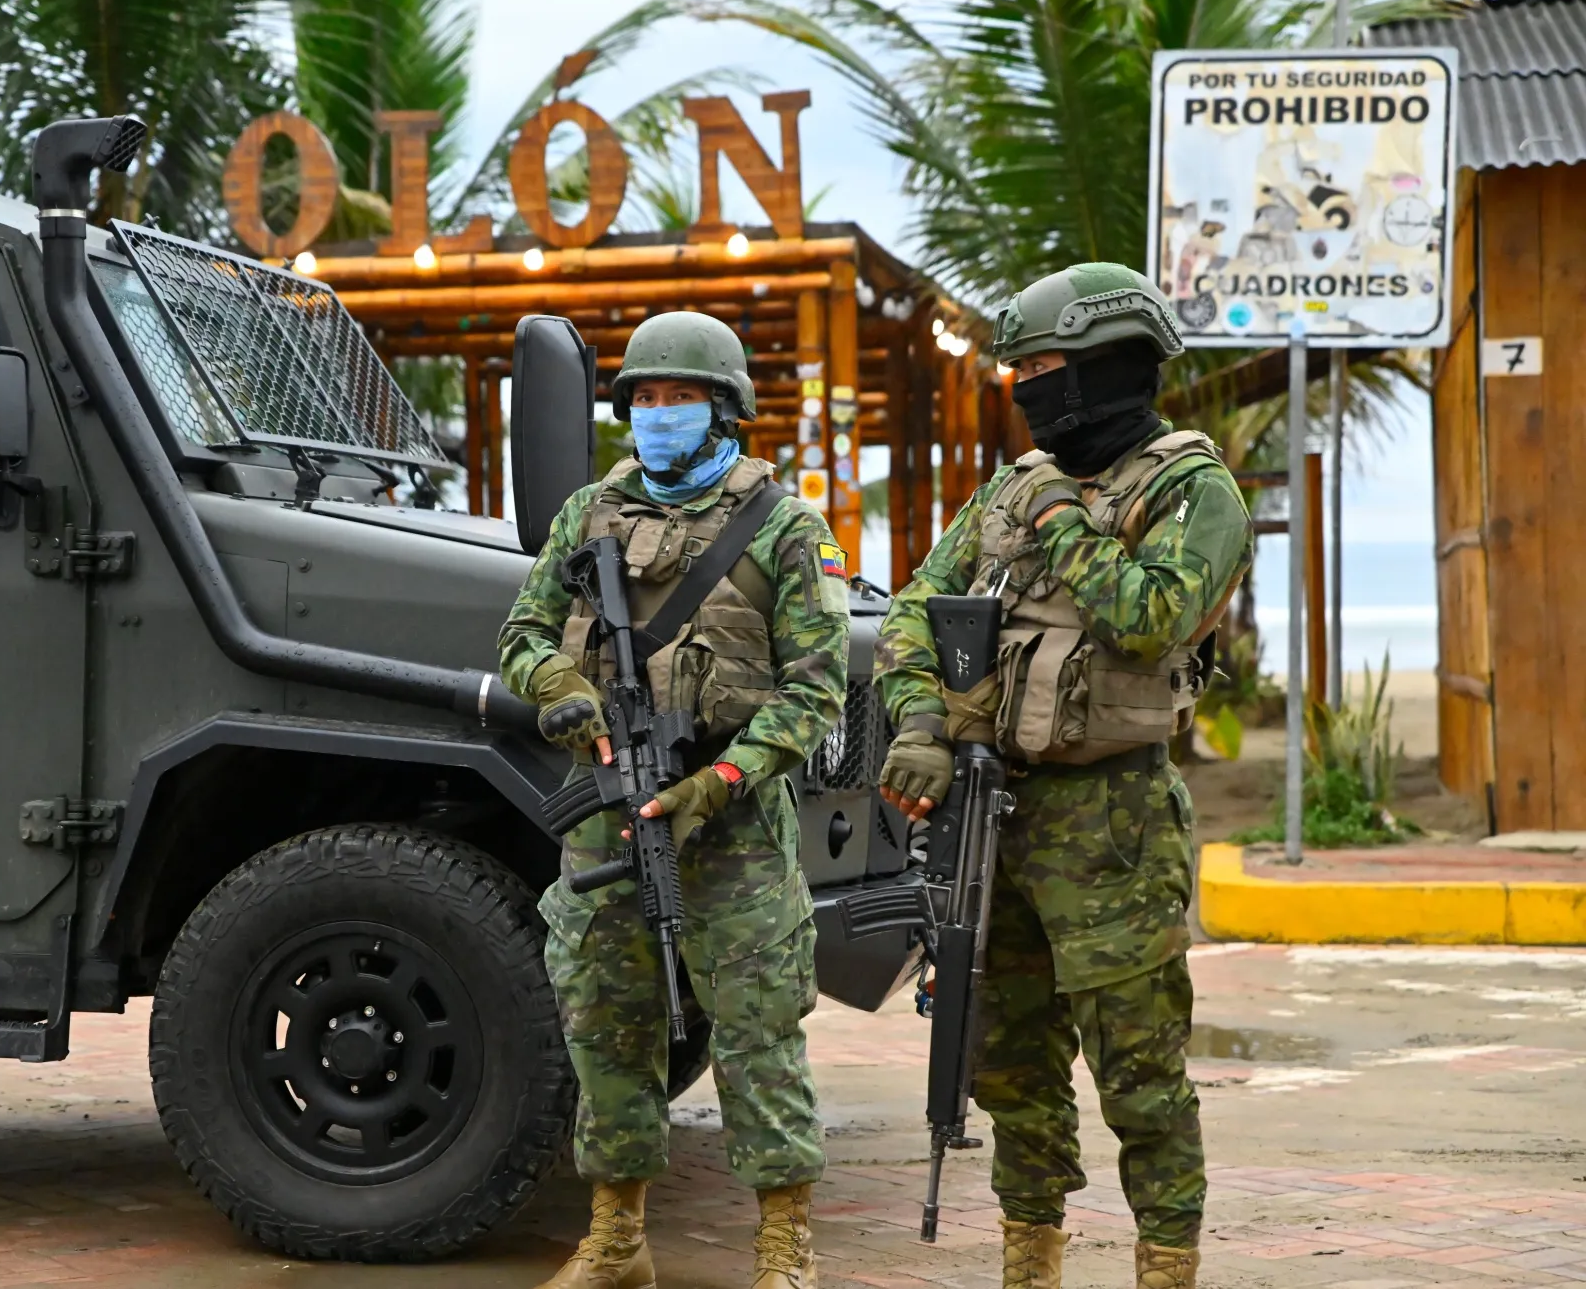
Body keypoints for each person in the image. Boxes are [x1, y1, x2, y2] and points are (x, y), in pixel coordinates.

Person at [873, 264, 1252, 1289]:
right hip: (992, 810)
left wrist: (1054, 522)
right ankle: (1027, 1264)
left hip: (1112, 819)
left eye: (1046, 369)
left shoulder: (1191, 490)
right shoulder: (1012, 486)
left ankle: (1162, 1269)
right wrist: (919, 729)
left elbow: (1148, 615)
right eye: (1019, 374)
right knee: (1008, 1065)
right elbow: (913, 610)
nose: (1029, 391)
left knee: (1138, 1073)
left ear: (1110, 365)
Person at [499, 310, 851, 1289]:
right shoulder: (587, 514)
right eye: (643, 399)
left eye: (677, 397)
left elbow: (816, 689)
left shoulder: (783, 525)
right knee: (607, 1018)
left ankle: (782, 1247)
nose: (657, 415)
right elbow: (522, 639)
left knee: (754, 1027)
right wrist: (568, 698)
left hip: (731, 815)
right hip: (609, 806)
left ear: (722, 408)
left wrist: (721, 779)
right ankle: (616, 1238)